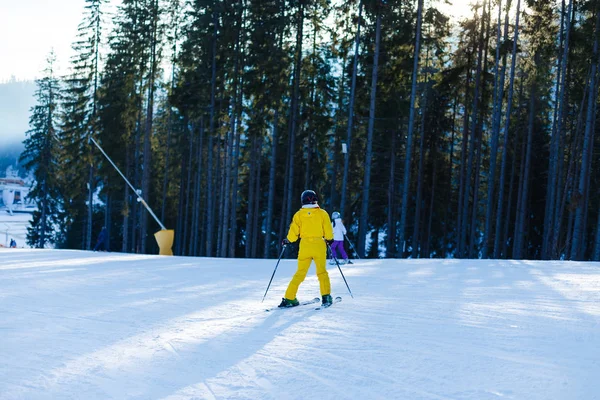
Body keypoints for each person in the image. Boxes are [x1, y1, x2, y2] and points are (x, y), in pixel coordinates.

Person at [279, 190, 334, 308]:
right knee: (322, 272)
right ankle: (326, 297)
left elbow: (293, 233)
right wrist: (329, 239)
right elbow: (328, 231)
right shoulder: (322, 213)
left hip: (305, 246)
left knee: (300, 273)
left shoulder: (299, 215)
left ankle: (289, 297)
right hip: (319, 244)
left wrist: (288, 240)